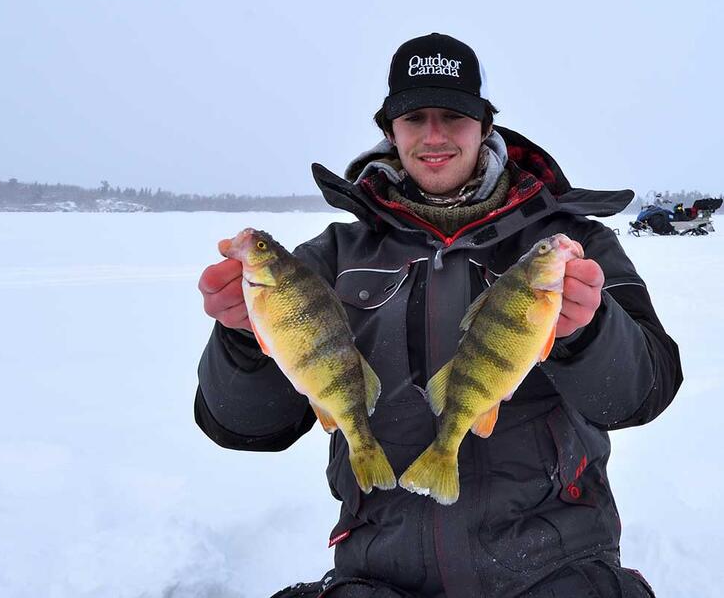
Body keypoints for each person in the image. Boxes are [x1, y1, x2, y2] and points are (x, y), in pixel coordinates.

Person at [196, 33, 683, 598]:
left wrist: (591, 333)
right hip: (380, 573)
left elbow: (643, 393)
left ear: (484, 126)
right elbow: (245, 426)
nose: (433, 136)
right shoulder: (329, 258)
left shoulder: (573, 243)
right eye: (413, 117)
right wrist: (242, 340)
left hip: (560, 565)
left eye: (452, 116)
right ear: (389, 130)